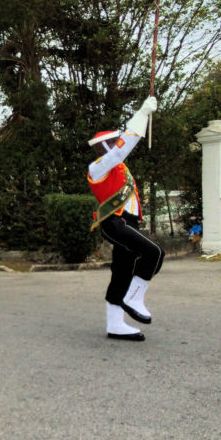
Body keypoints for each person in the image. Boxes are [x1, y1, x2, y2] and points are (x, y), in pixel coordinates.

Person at [87, 96, 165, 341]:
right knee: (155, 252)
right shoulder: (97, 167)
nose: (112, 145)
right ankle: (134, 298)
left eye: (112, 141)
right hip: (114, 223)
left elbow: (121, 152)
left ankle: (115, 324)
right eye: (108, 143)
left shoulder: (121, 169)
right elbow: (122, 149)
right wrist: (141, 114)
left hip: (128, 223)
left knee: (121, 271)